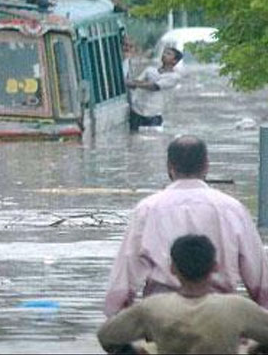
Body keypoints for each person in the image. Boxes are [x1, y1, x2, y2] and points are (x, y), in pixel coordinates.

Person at [104, 136, 268, 318]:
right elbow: (259, 277)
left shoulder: (147, 209)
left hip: (161, 317)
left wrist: (119, 321)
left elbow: (124, 276)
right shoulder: (232, 208)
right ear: (206, 165)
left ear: (169, 166)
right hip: (220, 315)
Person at [98, 235, 268, 354]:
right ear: (215, 267)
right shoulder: (237, 307)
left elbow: (107, 337)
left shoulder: (153, 307)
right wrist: (256, 348)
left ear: (172, 268)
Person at [126, 47, 182, 132]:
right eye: (164, 53)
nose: (164, 55)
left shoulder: (174, 77)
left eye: (168, 54)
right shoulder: (150, 70)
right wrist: (132, 83)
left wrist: (134, 84)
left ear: (174, 61)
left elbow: (154, 87)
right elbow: (136, 82)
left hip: (154, 114)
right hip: (137, 111)